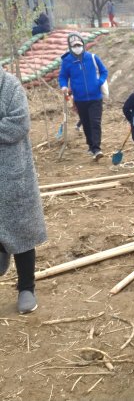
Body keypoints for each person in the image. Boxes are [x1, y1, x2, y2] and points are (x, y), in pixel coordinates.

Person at [0, 67, 47, 314]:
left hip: (12, 175)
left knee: (22, 231)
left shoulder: (10, 86)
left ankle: (26, 288)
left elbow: (18, 124)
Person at [59, 32, 108, 161]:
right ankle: (91, 146)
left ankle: (97, 149)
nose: (77, 47)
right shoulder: (67, 61)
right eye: (74, 45)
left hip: (95, 97)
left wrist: (99, 82)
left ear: (83, 45)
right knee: (86, 123)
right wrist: (63, 86)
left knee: (95, 122)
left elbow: (104, 71)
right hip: (80, 99)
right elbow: (63, 76)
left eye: (79, 45)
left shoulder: (92, 58)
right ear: (70, 47)